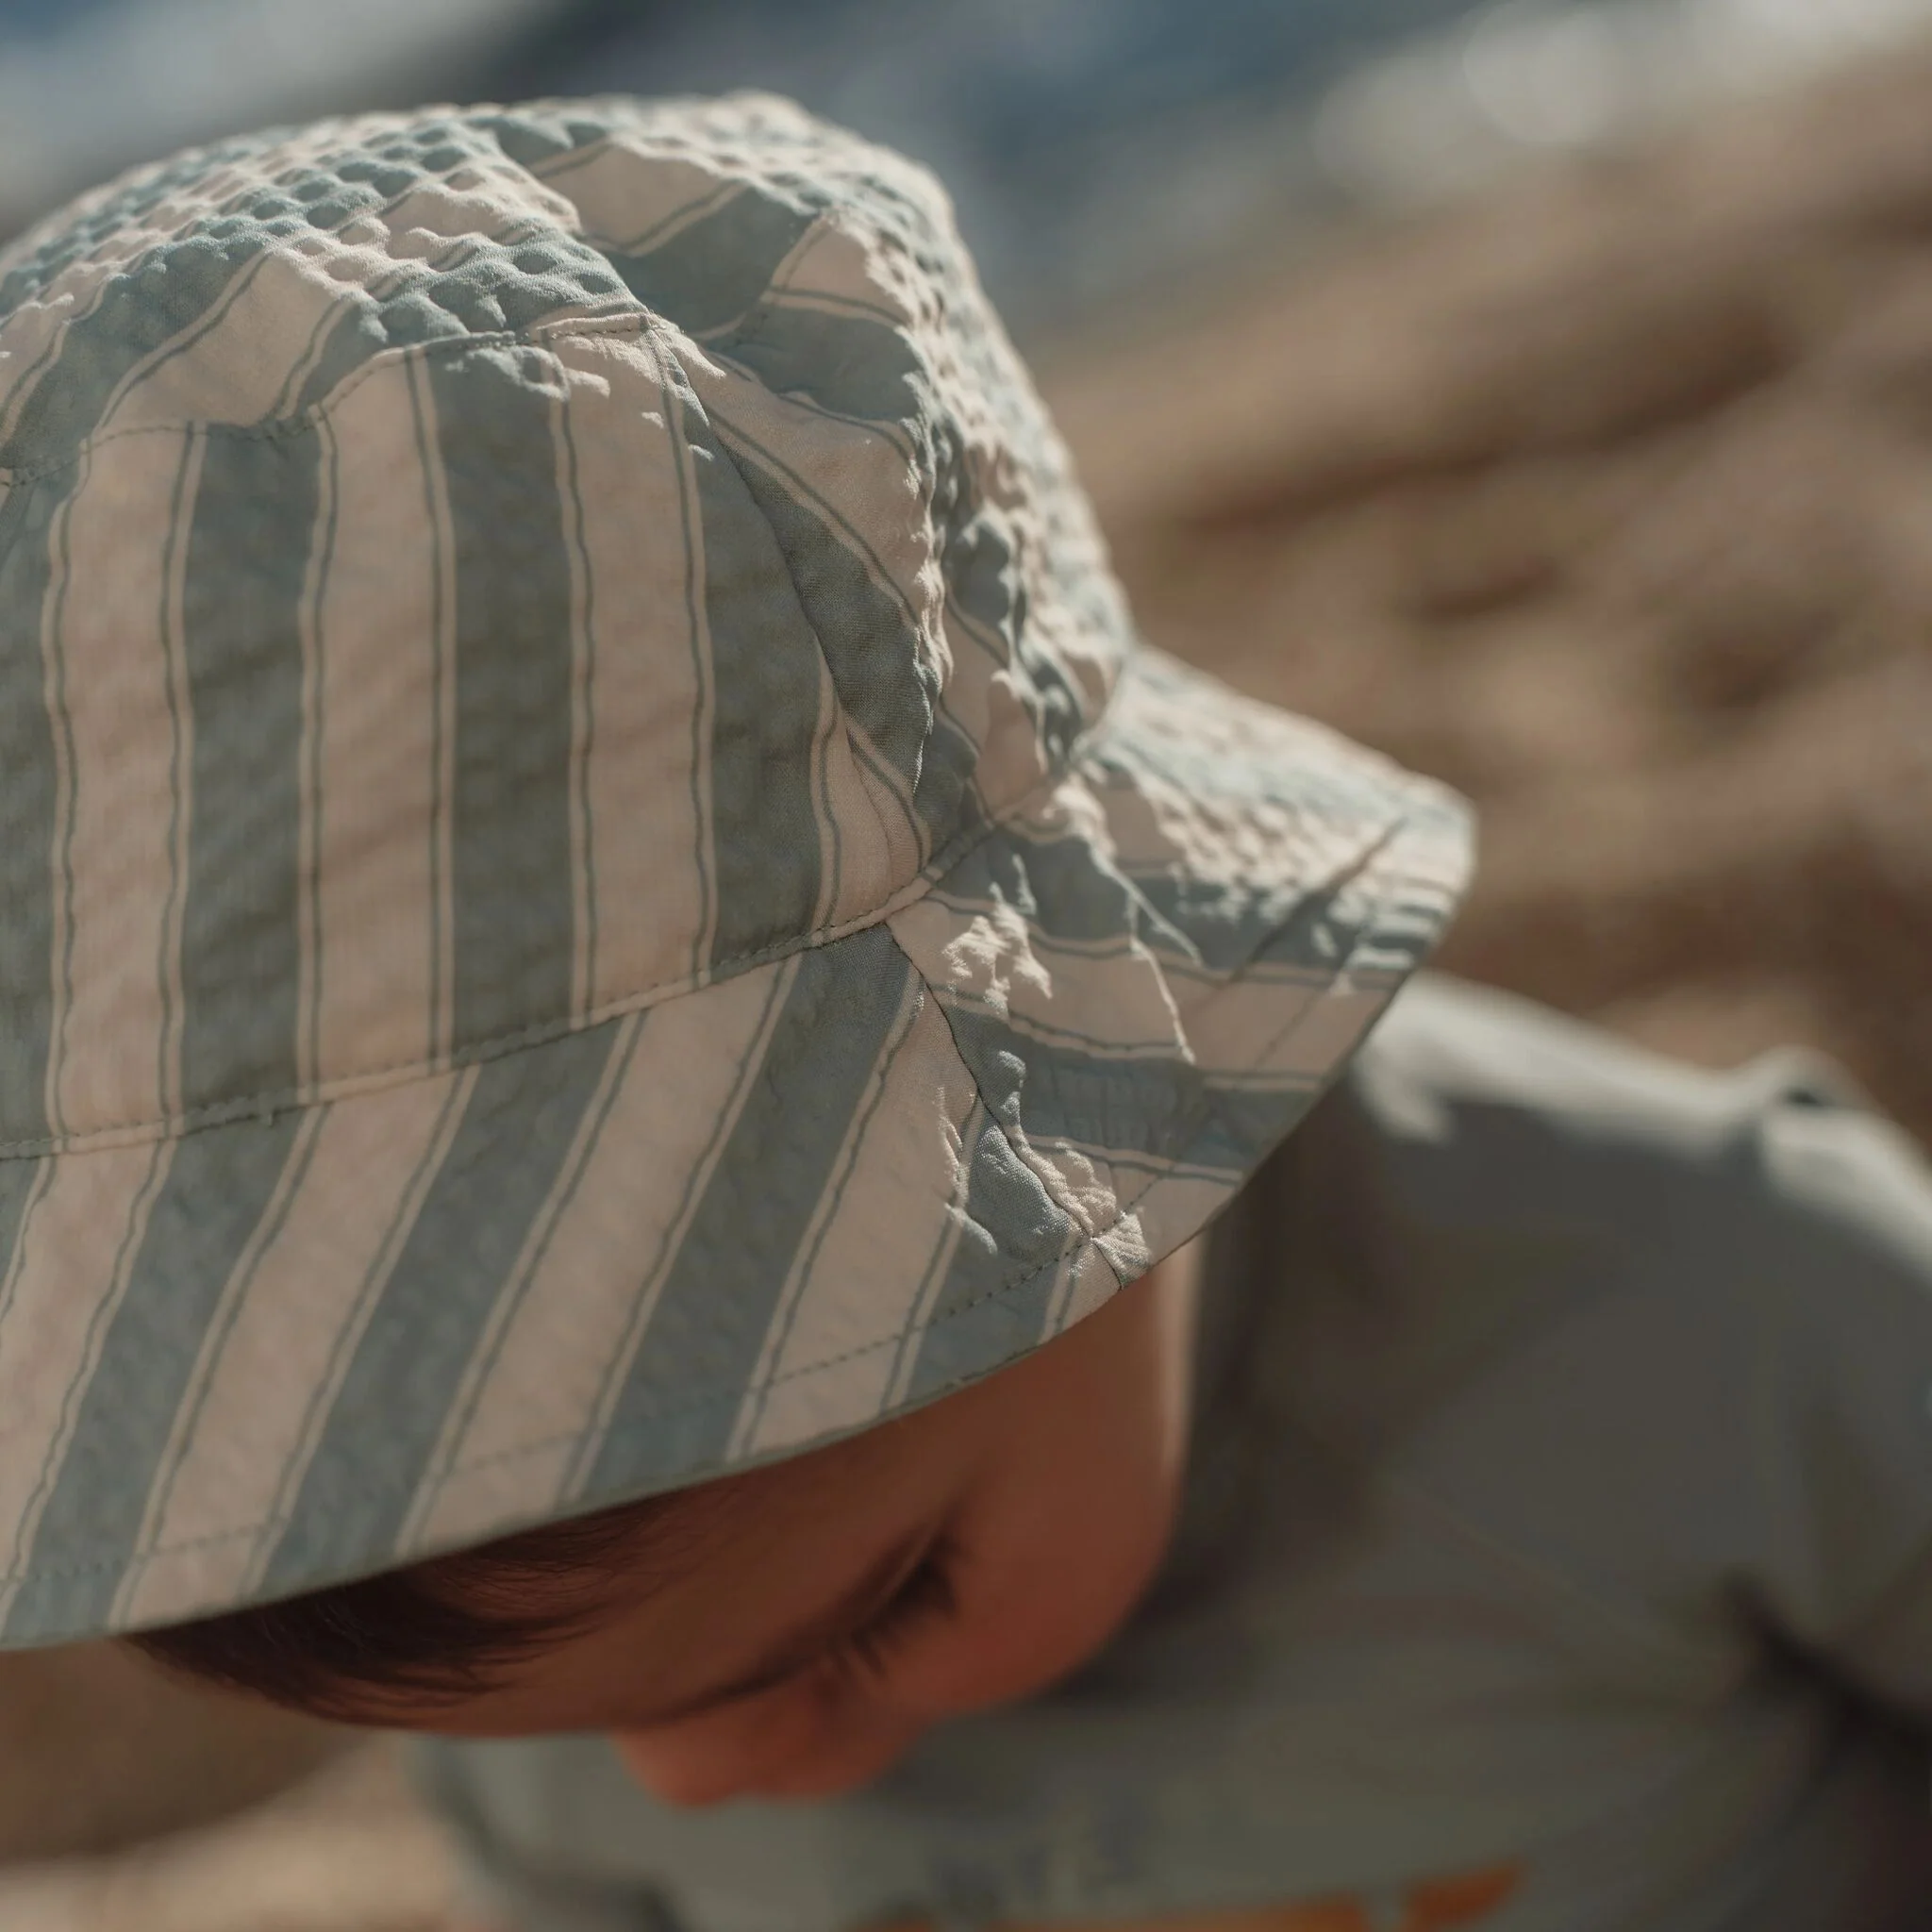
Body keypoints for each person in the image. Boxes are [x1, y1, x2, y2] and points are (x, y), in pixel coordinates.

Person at [0, 91, 1927, 1932]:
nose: (694, 1783)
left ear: (1110, 1089)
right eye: (545, 1732)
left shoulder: (1693, 1309)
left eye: (874, 1614)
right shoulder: (592, 1633)